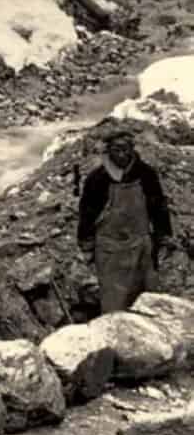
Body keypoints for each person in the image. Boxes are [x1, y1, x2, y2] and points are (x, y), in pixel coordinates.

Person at [77, 129, 173, 313]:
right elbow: (87, 213)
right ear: (108, 151)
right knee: (115, 305)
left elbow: (158, 207)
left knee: (146, 302)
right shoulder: (97, 179)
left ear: (132, 149)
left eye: (126, 148)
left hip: (141, 249)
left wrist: (164, 237)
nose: (122, 153)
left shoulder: (146, 174)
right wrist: (86, 245)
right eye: (116, 149)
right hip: (110, 251)